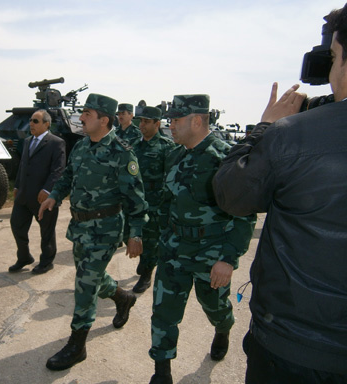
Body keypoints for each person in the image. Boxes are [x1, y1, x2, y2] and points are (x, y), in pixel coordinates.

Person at [212, 6, 347, 383]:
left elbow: (231, 195)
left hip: (296, 346)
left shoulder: (295, 134)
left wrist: (266, 127)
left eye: (334, 56)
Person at [149, 95, 255, 384]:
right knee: (163, 312)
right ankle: (162, 371)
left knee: (215, 307)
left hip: (211, 252)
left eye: (176, 120)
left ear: (197, 120)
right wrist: (161, 237)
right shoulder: (174, 154)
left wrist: (228, 258)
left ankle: (224, 328)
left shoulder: (225, 157)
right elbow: (166, 201)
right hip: (173, 249)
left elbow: (244, 213)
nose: (170, 125)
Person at [38, 93, 148, 371]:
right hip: (79, 227)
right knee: (91, 277)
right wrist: (54, 195)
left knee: (85, 283)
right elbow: (68, 176)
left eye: (88, 113)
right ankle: (122, 298)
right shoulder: (82, 146)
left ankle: (77, 344)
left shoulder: (122, 153)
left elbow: (136, 199)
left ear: (104, 119)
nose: (82, 117)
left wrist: (136, 234)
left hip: (106, 229)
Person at [8, 109, 66, 274]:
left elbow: (58, 169)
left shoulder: (56, 143)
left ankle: (47, 261)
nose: (31, 124)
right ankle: (24, 257)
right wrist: (17, 185)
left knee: (46, 230)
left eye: (35, 121)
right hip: (24, 194)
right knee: (16, 224)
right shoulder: (27, 141)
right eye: (31, 120)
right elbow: (23, 165)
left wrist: (48, 190)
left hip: (43, 197)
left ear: (46, 124)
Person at [129, 106, 176, 293]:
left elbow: (170, 178)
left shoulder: (166, 147)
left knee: (149, 240)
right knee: (130, 235)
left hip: (154, 204)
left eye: (147, 122)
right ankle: (145, 261)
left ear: (157, 123)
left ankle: (146, 274)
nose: (142, 125)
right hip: (134, 202)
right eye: (141, 121)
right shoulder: (133, 146)